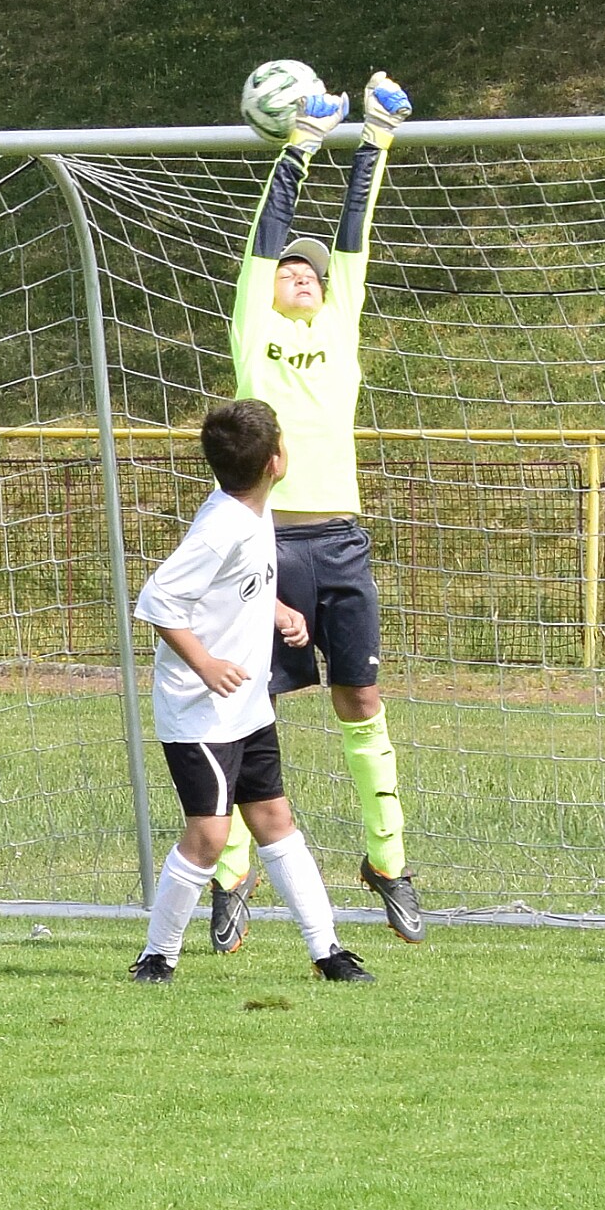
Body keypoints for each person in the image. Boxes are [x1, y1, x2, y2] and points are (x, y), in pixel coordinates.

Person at [207, 68, 425, 953]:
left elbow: (354, 235)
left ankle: (388, 860)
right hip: (264, 545)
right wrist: (301, 147)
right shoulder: (253, 333)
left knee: (360, 695)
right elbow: (268, 237)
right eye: (290, 269)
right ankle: (232, 869)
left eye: (313, 271)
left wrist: (375, 139)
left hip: (338, 541)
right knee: (243, 705)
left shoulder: (339, 327)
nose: (302, 273)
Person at [128, 399, 373, 985]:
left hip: (246, 703)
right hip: (200, 711)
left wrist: (279, 610)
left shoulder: (251, 510)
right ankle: (157, 956)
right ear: (275, 461)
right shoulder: (223, 526)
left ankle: (328, 952)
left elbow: (240, 584)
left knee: (274, 818)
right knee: (209, 836)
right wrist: (207, 664)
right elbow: (158, 601)